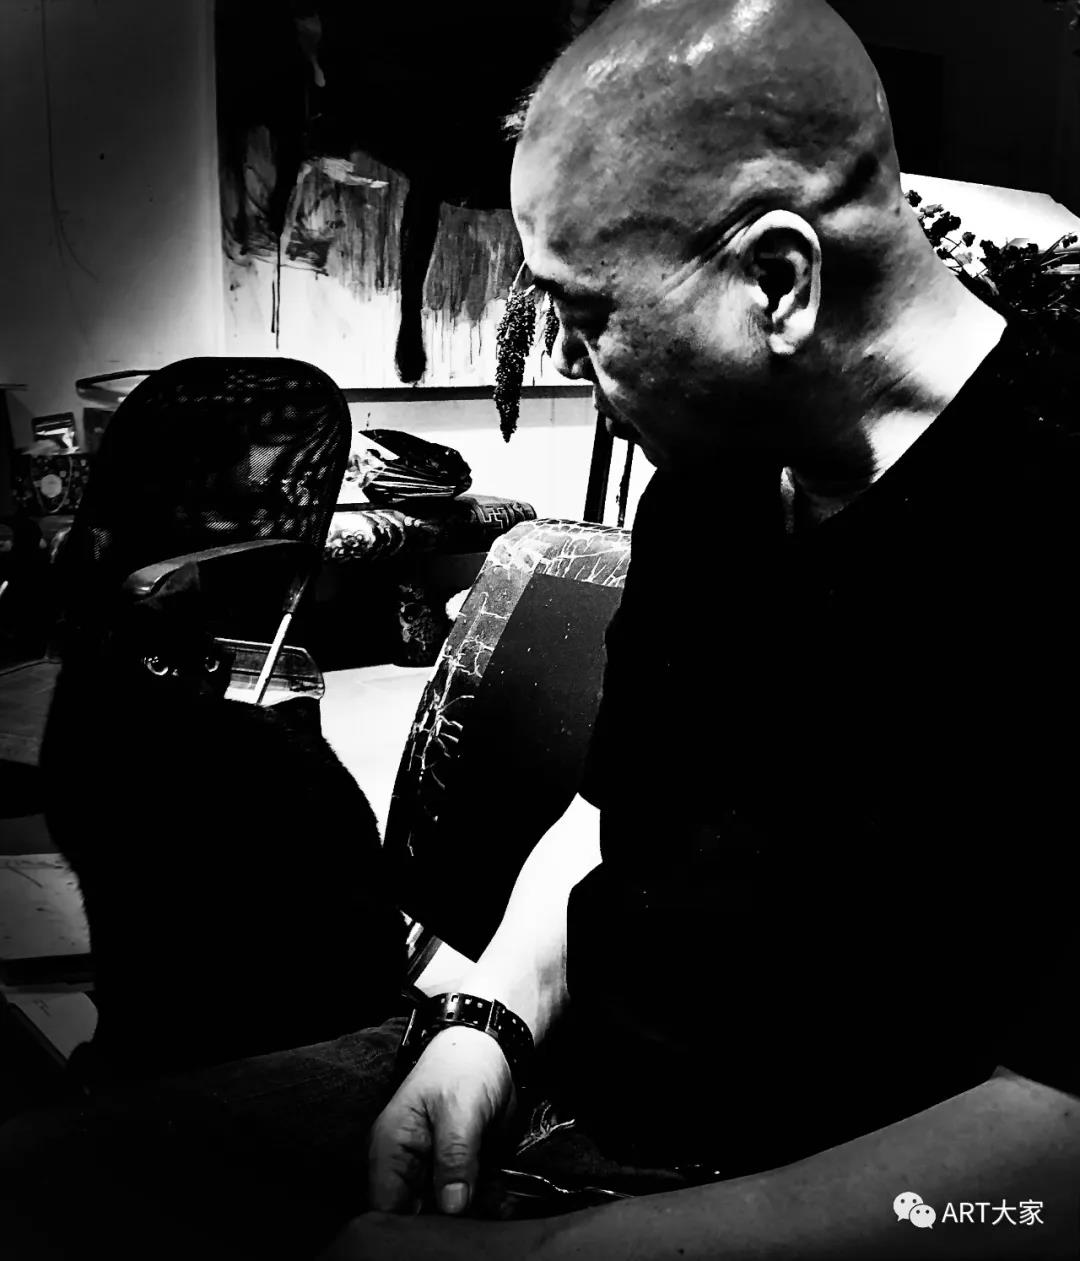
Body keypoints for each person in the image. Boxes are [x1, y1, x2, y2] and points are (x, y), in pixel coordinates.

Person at [3, 1, 1079, 1258]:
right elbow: (611, 829)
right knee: (41, 1187)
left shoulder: (1046, 518)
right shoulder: (715, 486)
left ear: (778, 281)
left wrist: (553, 1257)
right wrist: (483, 1024)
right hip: (567, 1093)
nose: (566, 359)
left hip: (824, 1192)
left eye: (589, 313)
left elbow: (1055, 1148)